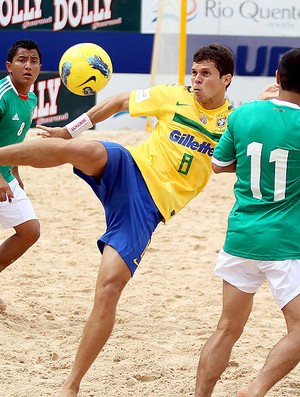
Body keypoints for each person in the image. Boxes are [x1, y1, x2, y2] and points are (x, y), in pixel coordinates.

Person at [0, 44, 234, 396]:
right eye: (194, 72)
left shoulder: (235, 121)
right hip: (129, 167)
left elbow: (231, 164)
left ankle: (71, 385)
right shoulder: (174, 95)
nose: (196, 80)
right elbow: (120, 101)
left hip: (147, 209)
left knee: (109, 290)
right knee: (80, 150)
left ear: (226, 80)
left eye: (205, 74)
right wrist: (72, 129)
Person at [195, 48, 300, 397]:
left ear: (277, 78)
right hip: (286, 244)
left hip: (241, 237)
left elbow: (218, 164)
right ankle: (254, 390)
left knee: (226, 328)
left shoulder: (242, 114)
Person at [0, 40, 42, 312]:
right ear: (9, 66)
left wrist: (14, 170)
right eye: (22, 60)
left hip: (6, 173)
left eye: (34, 60)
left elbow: (15, 140)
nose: (28, 65)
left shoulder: (32, 98)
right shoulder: (2, 95)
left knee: (29, 231)